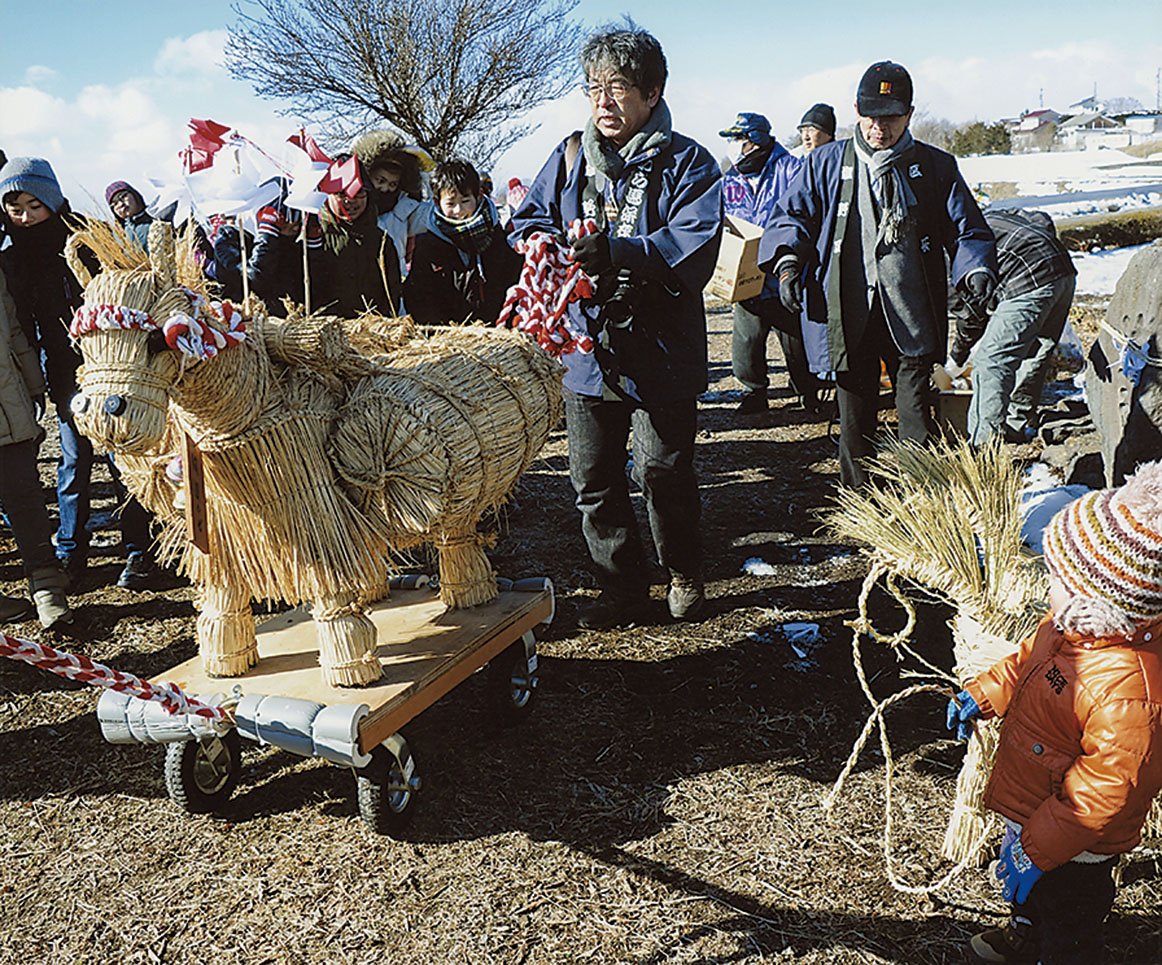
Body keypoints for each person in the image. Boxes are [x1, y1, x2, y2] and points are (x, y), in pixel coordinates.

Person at [511, 23, 722, 628]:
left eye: (620, 88)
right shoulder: (571, 157)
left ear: (652, 94)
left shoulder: (689, 162)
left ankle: (683, 567)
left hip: (661, 345)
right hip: (588, 348)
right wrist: (549, 247)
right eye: (593, 87)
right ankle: (621, 583)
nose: (603, 101)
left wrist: (622, 252)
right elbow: (527, 223)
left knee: (663, 469)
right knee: (593, 477)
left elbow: (694, 243)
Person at [946, 462, 1162, 965]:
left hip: (1077, 843)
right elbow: (1029, 660)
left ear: (1100, 598)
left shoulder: (1128, 692)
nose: (1049, 588)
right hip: (1035, 804)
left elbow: (1104, 795)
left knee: (1070, 917)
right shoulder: (1072, 630)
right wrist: (985, 693)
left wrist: (1039, 849)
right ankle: (1026, 937)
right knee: (1035, 900)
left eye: (1057, 578)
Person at [760, 61, 997, 487]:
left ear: (909, 114)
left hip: (911, 311)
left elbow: (967, 229)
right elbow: (792, 216)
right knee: (854, 418)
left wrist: (975, 269)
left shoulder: (936, 167)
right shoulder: (825, 164)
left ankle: (922, 502)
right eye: (870, 117)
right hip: (849, 310)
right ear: (855, 110)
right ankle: (861, 503)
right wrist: (788, 262)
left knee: (915, 416)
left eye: (890, 118)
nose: (879, 129)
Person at [0, 157, 158, 591]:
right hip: (64, 373)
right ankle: (71, 551)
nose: (26, 217)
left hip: (108, 364)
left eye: (35, 204)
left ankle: (141, 549)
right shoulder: (12, 257)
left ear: (51, 198)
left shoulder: (89, 240)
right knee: (73, 464)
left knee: (122, 459)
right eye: (16, 208)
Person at [719, 111, 822, 414]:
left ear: (756, 140)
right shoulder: (731, 178)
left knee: (795, 341)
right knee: (746, 340)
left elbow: (805, 213)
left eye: (739, 139)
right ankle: (754, 391)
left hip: (784, 274)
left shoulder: (791, 169)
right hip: (746, 275)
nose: (734, 146)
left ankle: (808, 391)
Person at [947, 207, 1077, 448]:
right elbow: (1040, 218)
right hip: (1062, 267)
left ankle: (982, 447)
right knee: (1034, 352)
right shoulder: (979, 217)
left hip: (1027, 279)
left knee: (991, 363)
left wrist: (956, 358)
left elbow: (971, 316)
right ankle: (1016, 426)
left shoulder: (946, 254)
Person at [0, 265, 73, 628]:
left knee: (25, 498)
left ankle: (47, 588)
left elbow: (13, 330)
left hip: (7, 407)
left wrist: (33, 385)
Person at [402, 159, 521, 326]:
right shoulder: (429, 245)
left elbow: (513, 283)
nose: (459, 211)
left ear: (478, 197)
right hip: (449, 338)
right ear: (437, 202)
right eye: (450, 204)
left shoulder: (496, 237)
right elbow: (421, 297)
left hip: (497, 332)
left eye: (465, 201)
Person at [311, 155, 402, 317]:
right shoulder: (313, 237)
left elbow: (392, 295)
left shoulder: (381, 241)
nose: (351, 201)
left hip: (370, 333)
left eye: (359, 193)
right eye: (342, 194)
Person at [352, 130, 430, 280]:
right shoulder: (355, 207)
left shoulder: (405, 208)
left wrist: (425, 178)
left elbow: (432, 217)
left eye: (393, 184)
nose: (385, 188)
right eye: (380, 181)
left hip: (394, 283)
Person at [105, 180, 153, 251]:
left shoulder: (156, 218)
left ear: (135, 195)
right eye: (115, 204)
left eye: (123, 196)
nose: (121, 204)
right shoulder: (119, 233)